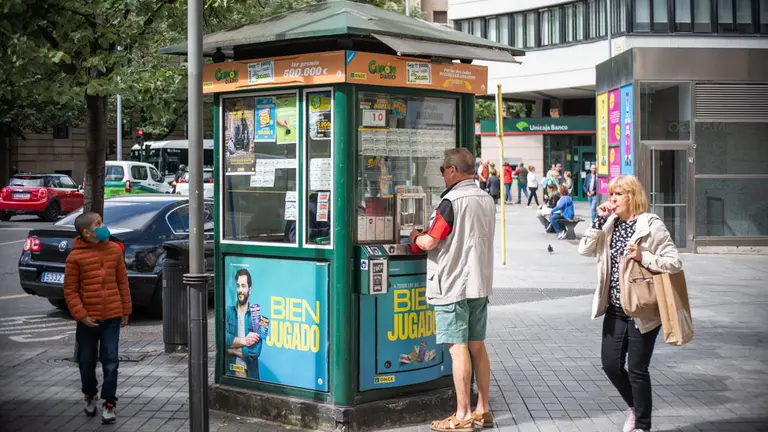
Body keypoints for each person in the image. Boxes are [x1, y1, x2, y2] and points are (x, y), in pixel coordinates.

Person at [578, 175, 682, 432]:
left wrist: (644, 256)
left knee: (637, 369)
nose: (612, 199)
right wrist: (598, 222)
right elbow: (584, 250)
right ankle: (635, 407)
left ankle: (642, 425)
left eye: (618, 194)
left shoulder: (650, 225)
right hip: (614, 308)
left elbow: (674, 262)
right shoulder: (609, 223)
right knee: (610, 365)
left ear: (632, 197)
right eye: (611, 194)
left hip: (642, 310)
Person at [409, 148, 495, 432]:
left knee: (458, 350)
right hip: (479, 283)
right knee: (477, 346)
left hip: (453, 284)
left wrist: (415, 237)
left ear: (453, 170)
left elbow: (432, 242)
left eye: (443, 170)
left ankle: (462, 414)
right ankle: (482, 409)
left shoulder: (451, 201)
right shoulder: (486, 198)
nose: (443, 175)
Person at [63, 212, 131, 424]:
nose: (103, 226)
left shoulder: (114, 251)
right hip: (88, 321)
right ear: (87, 232)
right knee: (86, 362)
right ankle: (89, 393)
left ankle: (109, 402)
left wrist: (125, 310)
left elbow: (122, 282)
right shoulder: (75, 257)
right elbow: (70, 291)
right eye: (98, 224)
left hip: (111, 317)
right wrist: (82, 316)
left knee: (111, 361)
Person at [225, 269, 264, 380]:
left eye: (243, 286)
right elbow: (223, 338)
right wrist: (244, 341)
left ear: (249, 289)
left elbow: (255, 352)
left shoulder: (258, 316)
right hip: (231, 372)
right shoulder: (228, 312)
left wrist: (231, 350)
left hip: (250, 376)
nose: (240, 290)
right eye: (238, 286)